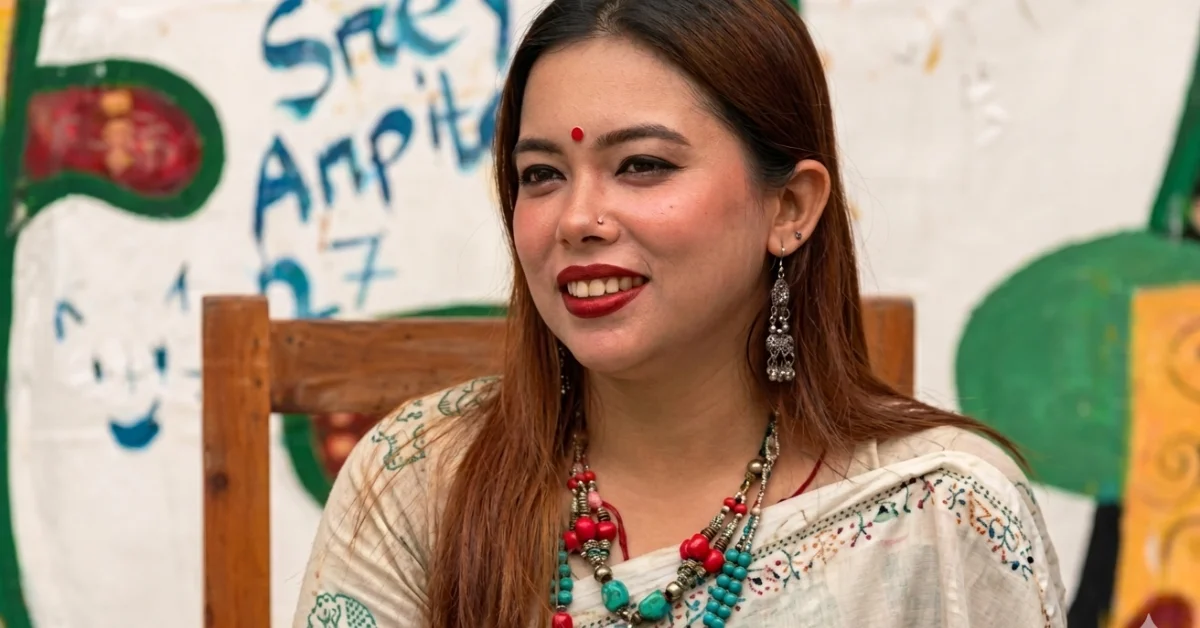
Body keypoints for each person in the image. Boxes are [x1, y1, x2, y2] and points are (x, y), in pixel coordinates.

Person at [292, 0, 1068, 626]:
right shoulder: (421, 479)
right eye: (542, 174)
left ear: (790, 207)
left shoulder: (939, 512)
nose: (577, 219)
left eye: (642, 165)